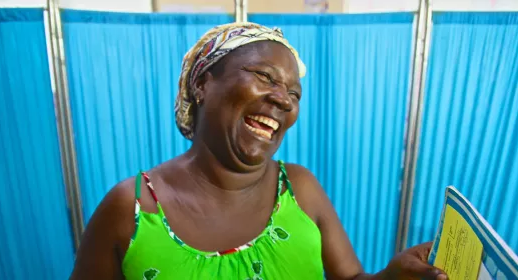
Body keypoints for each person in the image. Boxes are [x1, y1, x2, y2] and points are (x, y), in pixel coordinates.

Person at [70, 22, 448, 280]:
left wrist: (390, 277)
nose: (283, 100)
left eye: (295, 94)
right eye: (265, 77)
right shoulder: (132, 209)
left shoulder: (299, 189)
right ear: (203, 84)